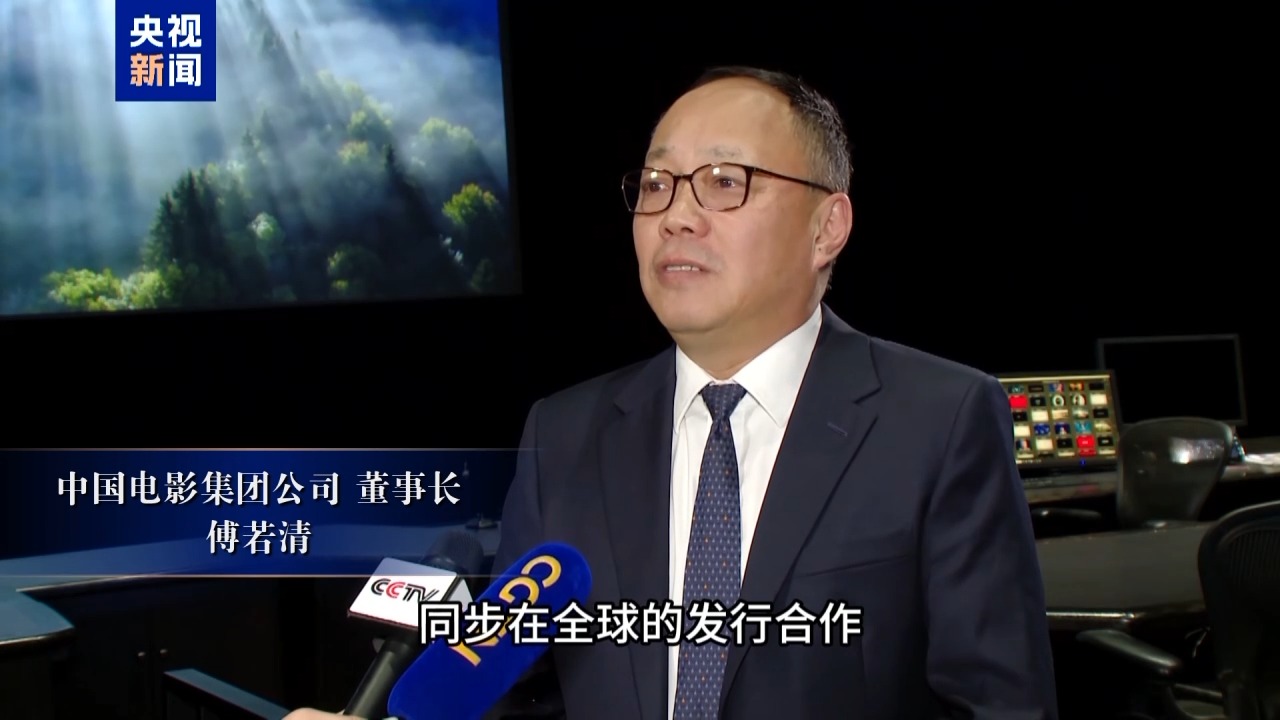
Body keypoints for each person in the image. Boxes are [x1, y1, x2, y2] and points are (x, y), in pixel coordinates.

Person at [287, 65, 1058, 720]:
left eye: (724, 182)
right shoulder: (565, 433)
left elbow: (1000, 706)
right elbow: (523, 699)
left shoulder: (939, 418)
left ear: (828, 227)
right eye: (656, 185)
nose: (676, 216)